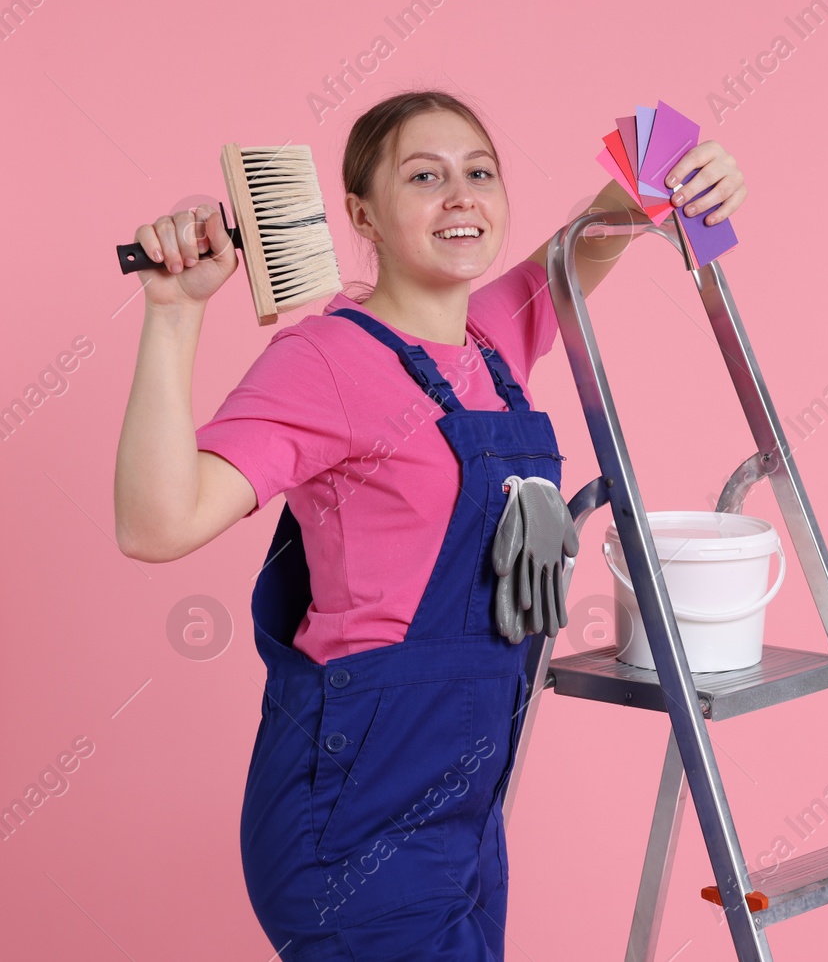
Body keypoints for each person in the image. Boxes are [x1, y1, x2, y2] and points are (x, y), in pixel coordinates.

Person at [112, 90, 747, 959]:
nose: (461, 195)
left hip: (467, 808)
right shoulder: (324, 359)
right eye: (424, 175)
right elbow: (157, 523)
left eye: (479, 172)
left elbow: (597, 230)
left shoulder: (492, 341)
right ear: (361, 215)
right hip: (354, 813)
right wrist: (174, 313)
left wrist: (682, 173)